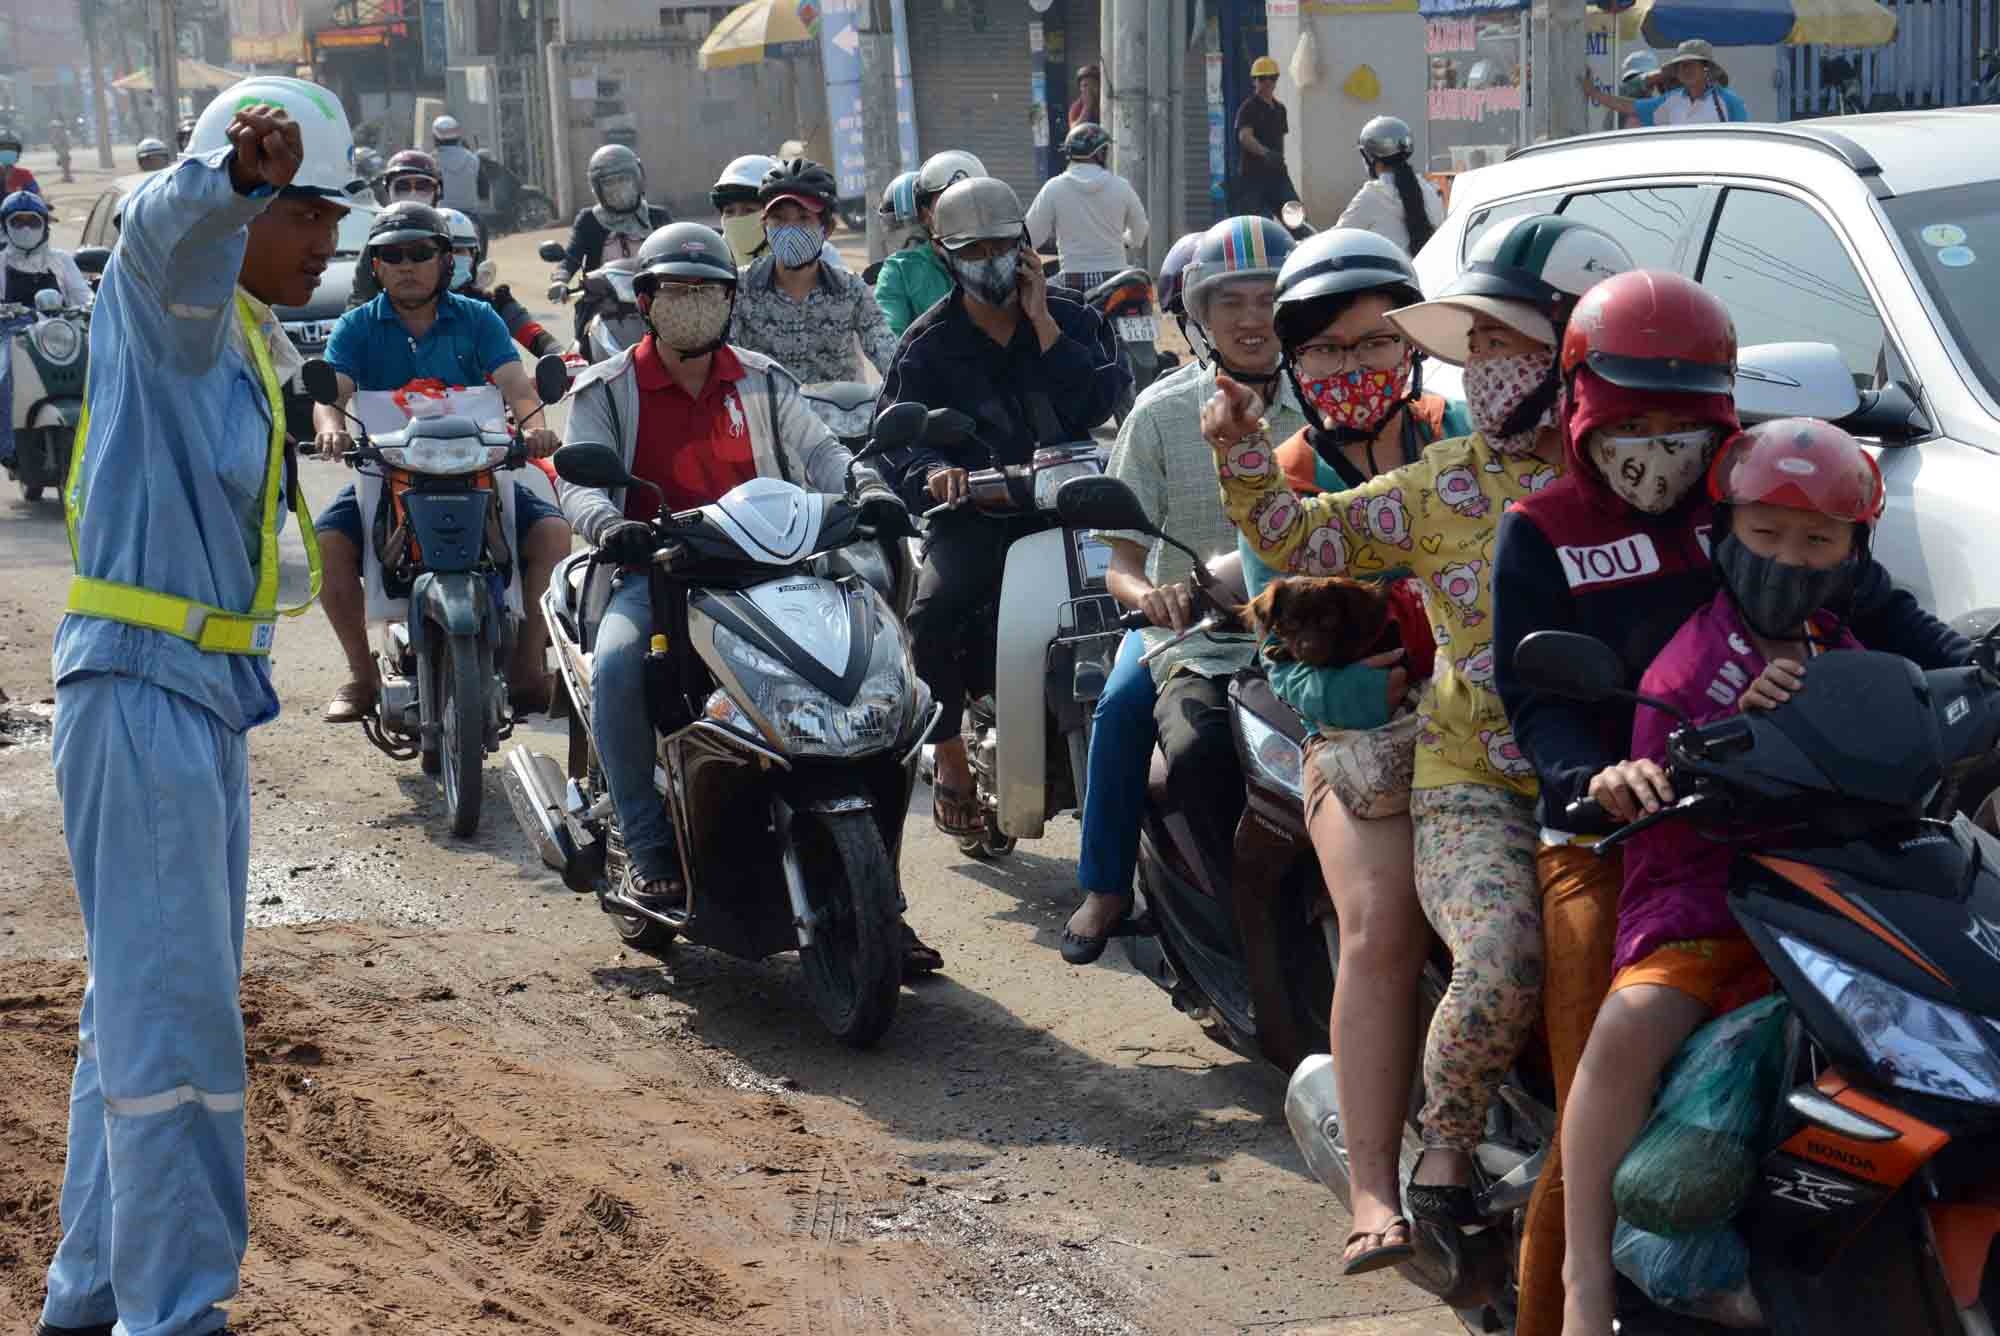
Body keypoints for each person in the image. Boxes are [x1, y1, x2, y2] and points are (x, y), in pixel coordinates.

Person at [1488, 268, 1971, 1336]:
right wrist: (1592, 782)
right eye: (1630, 418)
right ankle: (1571, 1301)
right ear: (1582, 404)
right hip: (1627, 832)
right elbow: (1538, 705)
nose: (1654, 446)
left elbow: (1889, 619)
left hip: (1805, 839)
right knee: (1604, 1060)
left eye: (1680, 420)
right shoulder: (1543, 527)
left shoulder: (1758, 495)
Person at [1206, 212, 1631, 1245]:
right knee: (1463, 948)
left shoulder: (1636, 478)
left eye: (1504, 344)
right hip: (1462, 765)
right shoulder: (1449, 482)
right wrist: (1241, 450)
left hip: (1625, 772)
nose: (1482, 366)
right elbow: (1292, 541)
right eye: (1471, 345)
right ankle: (1422, 1158)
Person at [39, 78, 374, 1336]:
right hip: (141, 688)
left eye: (331, 218)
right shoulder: (175, 306)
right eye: (306, 214)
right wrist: (227, 184)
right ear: (247, 204)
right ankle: (174, 1316)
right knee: (176, 1035)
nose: (325, 243)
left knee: (137, 1016)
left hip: (194, 697)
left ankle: (93, 1298)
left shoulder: (239, 336)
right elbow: (161, 235)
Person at [1556, 418, 1888, 1336]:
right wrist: (1742, 733)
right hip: (1704, 904)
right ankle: (1586, 1287)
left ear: (1853, 554)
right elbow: (1664, 791)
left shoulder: (1848, 655)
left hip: (1828, 907)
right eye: (1766, 533)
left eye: (1818, 540)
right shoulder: (1690, 662)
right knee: (1628, 1028)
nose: (1790, 558)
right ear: (1725, 536)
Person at [553, 221, 942, 973]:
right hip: (658, 574)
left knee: (873, 656)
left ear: (732, 300)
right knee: (620, 666)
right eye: (677, 291)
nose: (693, 304)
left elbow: (823, 451)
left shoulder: (762, 379)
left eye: (709, 291)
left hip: (775, 567)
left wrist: (867, 489)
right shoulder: (607, 388)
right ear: (645, 301)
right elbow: (577, 481)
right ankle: (647, 842)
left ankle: (880, 901)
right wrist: (608, 524)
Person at [1228, 225, 1474, 1274]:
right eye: (1325, 349)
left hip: (1490, 729)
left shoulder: (1466, 437)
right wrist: (1360, 688)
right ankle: (1373, 1184)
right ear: (1292, 362)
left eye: (1373, 342)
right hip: (1361, 744)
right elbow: (1282, 664)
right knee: (1380, 922)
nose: (1352, 365)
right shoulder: (1278, 484)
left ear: (1410, 347)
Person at [1061, 216, 1297, 962]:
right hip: (1187, 636)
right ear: (1199, 314)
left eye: (1269, 299)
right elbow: (1120, 565)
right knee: (1126, 712)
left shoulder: (1326, 404)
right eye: (1232, 301)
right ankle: (1105, 888)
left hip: (1308, 631)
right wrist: (1150, 600)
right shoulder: (1161, 414)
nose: (1252, 318)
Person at [879, 174, 1128, 836]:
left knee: (1146, 601)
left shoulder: (1075, 317)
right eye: (973, 250)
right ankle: (950, 754)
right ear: (944, 252)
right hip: (979, 514)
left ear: (1024, 245)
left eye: (1001, 245)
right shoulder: (926, 345)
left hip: (1074, 508)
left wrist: (1044, 321)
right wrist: (935, 475)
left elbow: (1100, 402)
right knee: (931, 616)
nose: (989, 261)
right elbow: (897, 444)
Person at [309, 201, 567, 725]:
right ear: (375, 265)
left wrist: (533, 426)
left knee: (553, 535)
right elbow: (331, 394)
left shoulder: (479, 318)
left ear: (446, 260)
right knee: (327, 546)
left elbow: (516, 386)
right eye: (392, 255)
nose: (406, 265)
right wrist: (331, 428)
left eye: (420, 253)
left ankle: (526, 668)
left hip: (481, 472)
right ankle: (361, 676)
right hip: (385, 477)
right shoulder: (356, 326)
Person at [729, 157, 897, 384]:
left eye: (803, 218)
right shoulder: (740, 288)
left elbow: (889, 355)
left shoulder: (850, 290)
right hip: (766, 406)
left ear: (827, 229)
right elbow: (725, 362)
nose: (790, 229)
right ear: (765, 227)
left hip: (839, 407)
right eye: (778, 218)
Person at [549, 143, 673, 344]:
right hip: (604, 307)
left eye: (623, 180)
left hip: (655, 303)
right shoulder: (589, 220)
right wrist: (560, 280)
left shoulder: (658, 217)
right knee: (582, 350)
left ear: (638, 179)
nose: (618, 188)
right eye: (609, 183)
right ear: (597, 188)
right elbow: (572, 255)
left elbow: (677, 251)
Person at [1025, 123, 1149, 294]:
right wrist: (1127, 240)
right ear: (1100, 153)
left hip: (1071, 282)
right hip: (1116, 282)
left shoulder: (1053, 188)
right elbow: (1140, 231)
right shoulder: (1122, 187)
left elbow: (1031, 237)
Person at [874, 149, 984, 336]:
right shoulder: (900, 271)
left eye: (970, 203)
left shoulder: (1007, 256)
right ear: (926, 215)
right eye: (948, 203)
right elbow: (888, 340)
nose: (961, 213)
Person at [440, 204, 560, 356]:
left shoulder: (493, 304)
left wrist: (564, 356)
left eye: (458, 251)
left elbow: (535, 336)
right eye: (443, 251)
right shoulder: (413, 305)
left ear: (474, 256)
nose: (451, 259)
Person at [1335, 116, 1443, 257]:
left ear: (1370, 158)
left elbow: (1337, 239)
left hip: (1387, 271)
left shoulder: (1372, 196)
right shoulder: (1429, 190)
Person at [1583, 38, 1748, 125]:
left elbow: (1742, 144)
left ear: (1706, 68)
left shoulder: (1730, 102)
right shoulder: (1671, 100)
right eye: (1680, 65)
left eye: (1690, 64)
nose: (1685, 69)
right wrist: (1594, 93)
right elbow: (1630, 106)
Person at [3, 190, 91, 307]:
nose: (26, 229)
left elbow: (85, 299)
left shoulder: (61, 260)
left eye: (33, 222)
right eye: (17, 222)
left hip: (60, 320)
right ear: (5, 227)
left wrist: (89, 305)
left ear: (45, 226)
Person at [1235, 56, 1296, 220]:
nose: (1268, 82)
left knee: (1296, 218)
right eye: (1262, 78)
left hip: (1278, 175)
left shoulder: (1280, 109)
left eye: (1272, 78)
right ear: (1254, 81)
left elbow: (1280, 140)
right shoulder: (1248, 108)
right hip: (1253, 178)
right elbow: (1244, 137)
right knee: (1259, 225)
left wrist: (1278, 159)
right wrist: (1265, 153)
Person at [430, 113, 483, 211]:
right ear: (458, 137)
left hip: (440, 215)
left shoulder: (430, 162)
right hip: (469, 215)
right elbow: (483, 193)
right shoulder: (473, 159)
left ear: (435, 138)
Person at [0, 129, 41, 196]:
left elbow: (37, 197)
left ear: (18, 154)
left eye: (12, 149)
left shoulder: (25, 175)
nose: (8, 152)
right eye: (4, 149)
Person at [1069, 63, 1102, 129]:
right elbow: (1074, 130)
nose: (1089, 90)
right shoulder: (1077, 107)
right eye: (1085, 86)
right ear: (1080, 88)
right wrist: (1087, 107)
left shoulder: (1106, 103)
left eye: (1093, 85)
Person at [49, 118, 72, 184]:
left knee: (65, 164)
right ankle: (66, 177)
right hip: (62, 152)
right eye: (53, 128)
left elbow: (66, 144)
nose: (53, 129)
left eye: (54, 127)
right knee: (64, 164)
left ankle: (67, 177)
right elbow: (54, 144)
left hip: (63, 151)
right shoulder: (56, 134)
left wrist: (63, 151)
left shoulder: (62, 134)